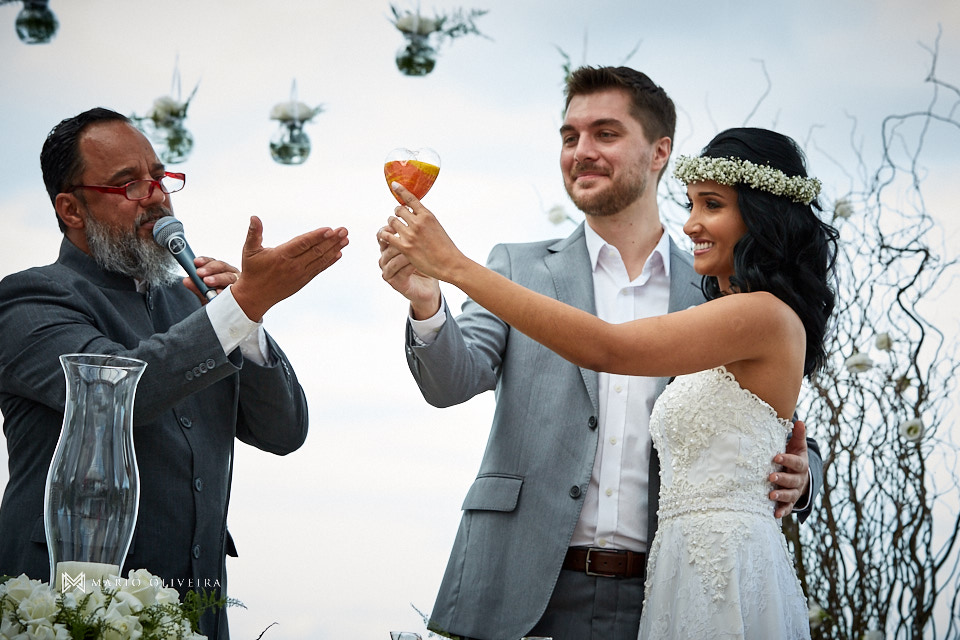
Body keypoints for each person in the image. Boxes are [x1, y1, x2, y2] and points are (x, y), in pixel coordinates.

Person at [376, 66, 823, 640]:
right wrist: (428, 301)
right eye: (569, 136)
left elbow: (755, 414)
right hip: (523, 581)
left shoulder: (718, 290)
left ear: (660, 151)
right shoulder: (516, 267)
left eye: (605, 133)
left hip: (665, 584)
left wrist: (803, 473)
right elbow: (448, 383)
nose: (581, 151)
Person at [0, 107, 349, 640]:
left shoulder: (196, 309)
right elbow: (118, 393)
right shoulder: (30, 301)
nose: (157, 196)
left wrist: (247, 322)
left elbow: (285, 432)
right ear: (71, 209)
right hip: (71, 603)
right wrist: (241, 307)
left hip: (199, 612)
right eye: (128, 185)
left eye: (160, 178)